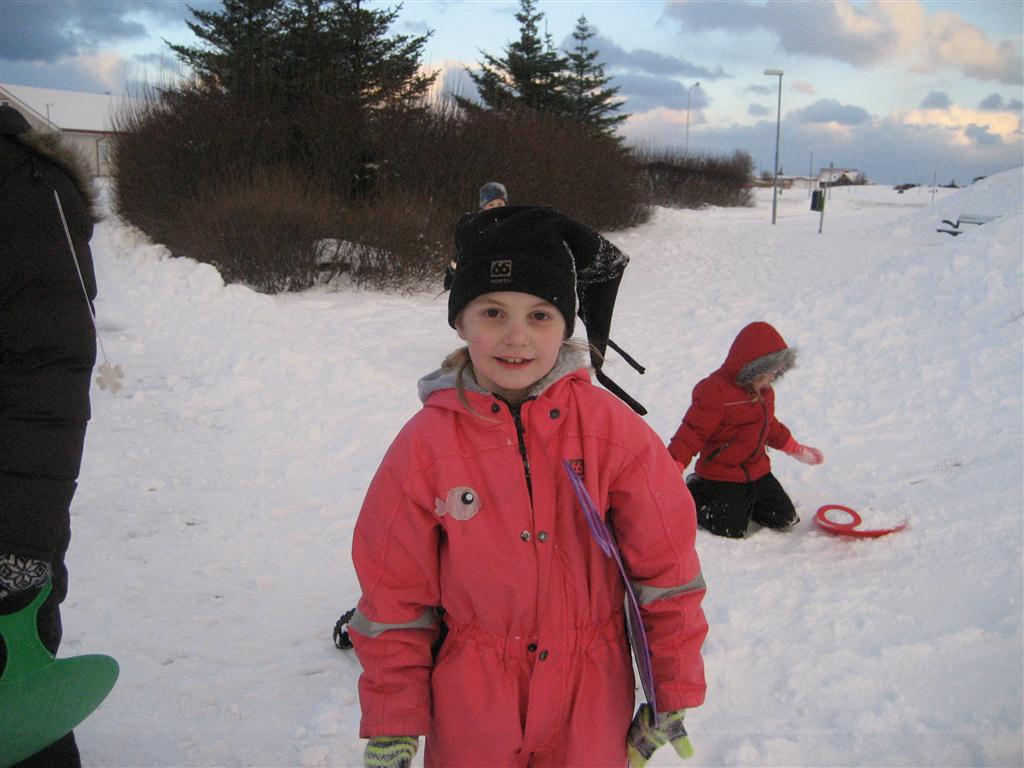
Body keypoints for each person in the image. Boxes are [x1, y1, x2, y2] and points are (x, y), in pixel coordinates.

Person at [349, 206, 707, 768]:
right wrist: (394, 716)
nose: (516, 337)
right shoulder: (425, 447)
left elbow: (667, 572)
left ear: (566, 327)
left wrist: (671, 688)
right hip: (473, 696)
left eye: (540, 315)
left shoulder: (611, 433)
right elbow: (394, 594)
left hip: (591, 695)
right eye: (493, 312)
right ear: (460, 322)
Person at [0, 104, 98, 766]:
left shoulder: (24, 187)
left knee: (20, 712)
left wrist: (19, 547)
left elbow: (48, 380)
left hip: (8, 518)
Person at [667, 321, 824, 539]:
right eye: (771, 370)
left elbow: (769, 426)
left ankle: (745, 503)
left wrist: (795, 449)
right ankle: (696, 491)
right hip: (722, 474)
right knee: (730, 529)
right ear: (753, 367)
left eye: (778, 370)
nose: (774, 377)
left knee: (785, 518)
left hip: (757, 470)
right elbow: (692, 432)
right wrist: (673, 465)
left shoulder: (764, 392)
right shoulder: (715, 391)